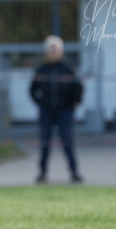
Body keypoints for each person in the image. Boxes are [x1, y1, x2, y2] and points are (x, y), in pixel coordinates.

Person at [29, 35, 83, 184]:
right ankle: (42, 173)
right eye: (51, 50)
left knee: (67, 141)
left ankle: (74, 173)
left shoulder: (68, 69)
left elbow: (78, 88)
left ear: (61, 51)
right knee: (45, 143)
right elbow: (33, 89)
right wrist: (40, 103)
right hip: (46, 111)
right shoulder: (42, 69)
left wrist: (75, 102)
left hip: (65, 111)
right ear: (47, 52)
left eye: (56, 50)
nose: (53, 53)